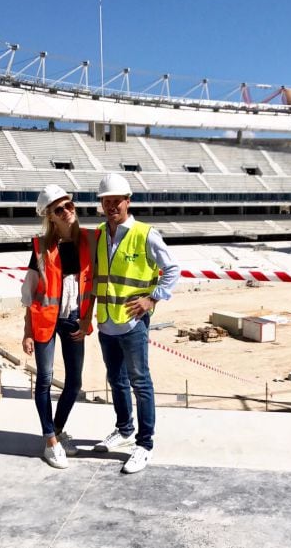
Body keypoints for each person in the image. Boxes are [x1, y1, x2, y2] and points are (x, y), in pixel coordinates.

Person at [92, 173, 180, 474]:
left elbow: (172, 270)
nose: (112, 205)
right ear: (102, 205)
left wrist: (152, 300)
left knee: (141, 383)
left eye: (117, 200)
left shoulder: (145, 234)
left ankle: (144, 444)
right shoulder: (100, 235)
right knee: (117, 381)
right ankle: (125, 429)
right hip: (107, 323)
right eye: (107, 201)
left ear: (127, 201)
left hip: (132, 326)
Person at [21, 184, 96, 469]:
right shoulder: (40, 247)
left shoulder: (88, 240)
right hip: (46, 323)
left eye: (69, 206)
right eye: (59, 209)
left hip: (75, 319)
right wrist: (27, 331)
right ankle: (50, 441)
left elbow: (94, 283)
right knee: (45, 378)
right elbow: (29, 292)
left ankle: (58, 429)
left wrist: (88, 318)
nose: (67, 211)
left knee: (74, 382)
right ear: (50, 216)